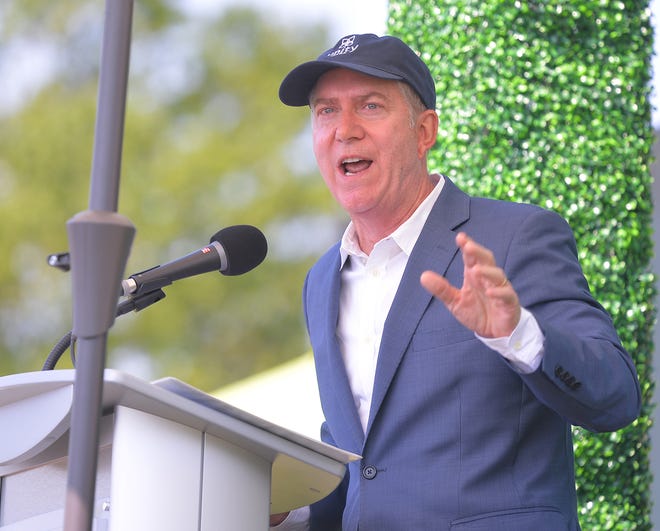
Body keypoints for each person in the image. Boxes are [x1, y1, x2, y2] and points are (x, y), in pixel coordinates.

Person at [270, 33, 641, 530]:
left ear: (425, 132)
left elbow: (615, 395)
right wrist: (285, 515)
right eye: (326, 111)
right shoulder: (322, 280)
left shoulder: (514, 237)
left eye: (370, 106)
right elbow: (365, 461)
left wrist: (517, 334)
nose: (344, 130)